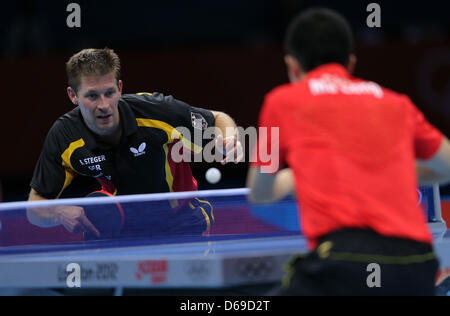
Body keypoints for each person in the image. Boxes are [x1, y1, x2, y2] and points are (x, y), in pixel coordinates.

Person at [247, 8, 450, 295]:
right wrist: (386, 170)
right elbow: (447, 167)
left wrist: (298, 175)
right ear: (351, 63)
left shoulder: (278, 102)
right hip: (416, 263)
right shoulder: (397, 103)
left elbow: (260, 191)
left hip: (344, 264)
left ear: (292, 66)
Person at [27, 48, 242, 238]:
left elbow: (217, 118)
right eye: (92, 96)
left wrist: (230, 138)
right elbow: (34, 207)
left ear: (119, 88)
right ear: (73, 95)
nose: (104, 105)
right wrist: (59, 212)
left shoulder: (155, 111)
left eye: (109, 93)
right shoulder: (65, 136)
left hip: (180, 221)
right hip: (119, 225)